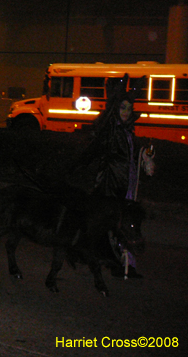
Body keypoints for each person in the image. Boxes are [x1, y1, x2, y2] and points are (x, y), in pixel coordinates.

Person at [79, 74, 155, 279]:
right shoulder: (112, 130)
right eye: (122, 108)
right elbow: (99, 149)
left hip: (126, 184)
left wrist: (143, 159)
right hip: (111, 185)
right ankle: (116, 264)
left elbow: (128, 158)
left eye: (129, 108)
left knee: (127, 224)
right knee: (114, 225)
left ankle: (126, 264)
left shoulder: (128, 132)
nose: (126, 112)